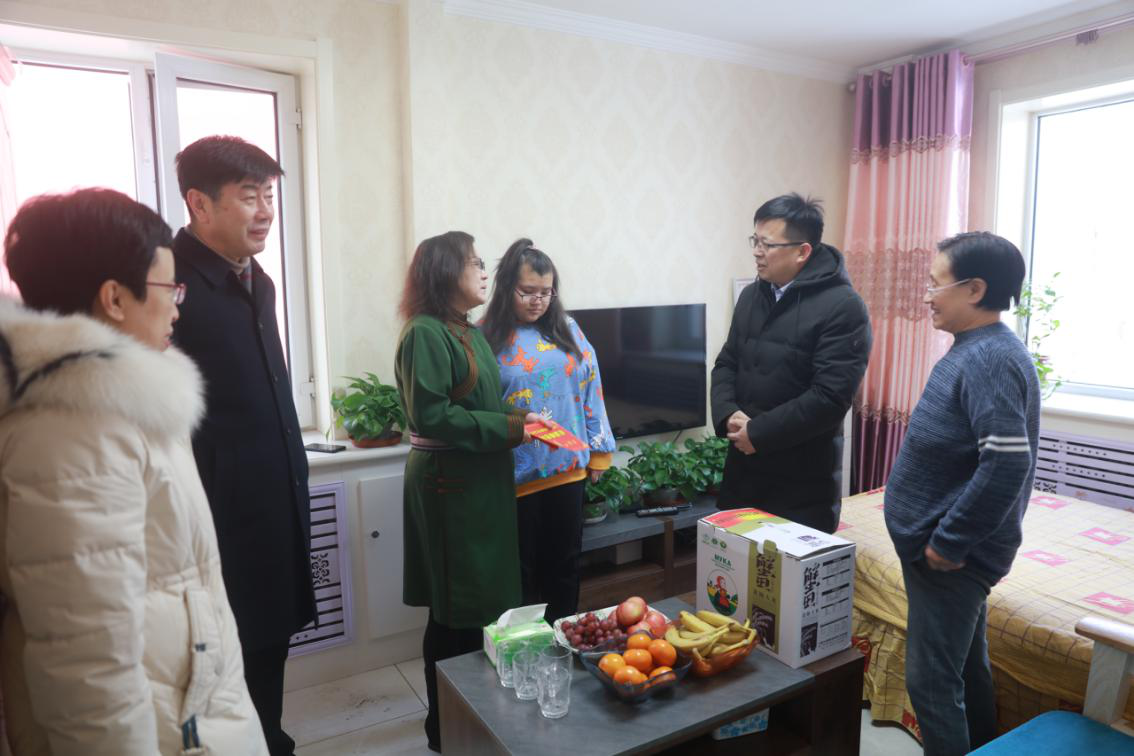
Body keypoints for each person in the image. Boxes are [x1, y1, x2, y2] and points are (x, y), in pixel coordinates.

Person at [0, 188, 268, 754]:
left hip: (186, 703)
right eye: (170, 289)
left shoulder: (122, 406)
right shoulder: (75, 433)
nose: (177, 307)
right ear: (115, 298)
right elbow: (87, 664)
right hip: (167, 726)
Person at [171, 136, 315, 755]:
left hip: (273, 499)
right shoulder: (168, 284)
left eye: (270, 196)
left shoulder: (258, 280)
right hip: (213, 515)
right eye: (249, 196)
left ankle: (269, 740)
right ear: (199, 203)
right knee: (219, 659)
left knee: (268, 642)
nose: (265, 212)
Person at [884, 232, 1039, 756]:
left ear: (974, 289)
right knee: (968, 668)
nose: (928, 296)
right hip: (941, 550)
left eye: (936, 284)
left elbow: (1007, 463)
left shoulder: (989, 358)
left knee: (931, 683)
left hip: (953, 558)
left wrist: (949, 541)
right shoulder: (977, 349)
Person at [395, 231, 545, 752]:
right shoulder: (425, 333)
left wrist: (522, 419)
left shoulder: (465, 330)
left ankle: (479, 719)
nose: (485, 272)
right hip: (450, 486)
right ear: (444, 272)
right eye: (475, 263)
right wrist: (509, 428)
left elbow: (482, 402)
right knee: (455, 611)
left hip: (478, 483)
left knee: (481, 607)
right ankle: (445, 731)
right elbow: (433, 415)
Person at [710, 193, 872, 533]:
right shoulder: (752, 295)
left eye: (767, 244)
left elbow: (830, 397)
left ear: (802, 251)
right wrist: (728, 415)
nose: (757, 251)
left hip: (801, 483)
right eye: (755, 240)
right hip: (743, 471)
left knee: (785, 567)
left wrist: (759, 433)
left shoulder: (843, 307)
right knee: (735, 562)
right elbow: (727, 362)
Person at [481, 239, 616, 624]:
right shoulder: (485, 336)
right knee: (519, 574)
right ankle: (522, 648)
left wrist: (599, 452)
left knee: (564, 567)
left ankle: (562, 638)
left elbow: (591, 385)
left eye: (546, 292)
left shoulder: (567, 328)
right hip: (513, 478)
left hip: (567, 472)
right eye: (527, 292)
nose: (537, 301)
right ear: (506, 287)